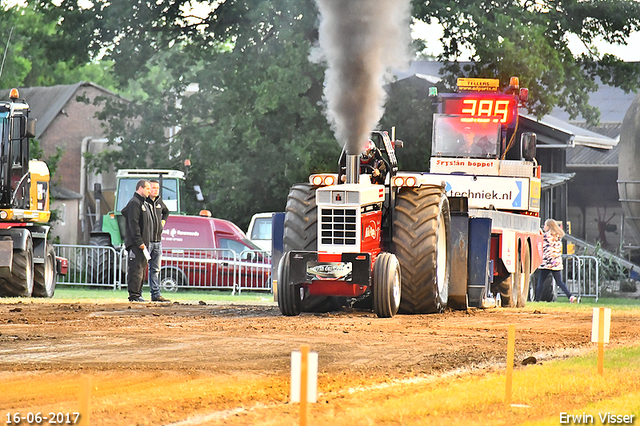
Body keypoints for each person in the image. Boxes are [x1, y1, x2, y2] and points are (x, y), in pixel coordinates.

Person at [121, 179, 153, 302]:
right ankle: (134, 295)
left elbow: (125, 211)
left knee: (141, 269)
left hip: (143, 244)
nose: (149, 192)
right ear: (140, 188)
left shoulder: (143, 203)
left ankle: (138, 293)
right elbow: (134, 224)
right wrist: (139, 241)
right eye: (148, 189)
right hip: (136, 244)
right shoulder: (135, 203)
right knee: (135, 269)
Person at [535, 218, 578, 303]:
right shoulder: (558, 236)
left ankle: (537, 299)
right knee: (560, 282)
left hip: (546, 263)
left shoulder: (546, 236)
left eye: (545, 225)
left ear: (548, 226)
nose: (544, 227)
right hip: (556, 263)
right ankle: (571, 297)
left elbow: (540, 240)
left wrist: (539, 232)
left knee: (541, 282)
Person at [147, 179, 171, 302]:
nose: (156, 190)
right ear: (148, 189)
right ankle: (137, 294)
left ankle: (155, 294)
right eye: (153, 188)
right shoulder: (144, 202)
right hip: (146, 241)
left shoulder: (159, 202)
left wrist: (163, 221)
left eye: (157, 188)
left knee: (155, 269)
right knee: (140, 268)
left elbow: (166, 212)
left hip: (157, 241)